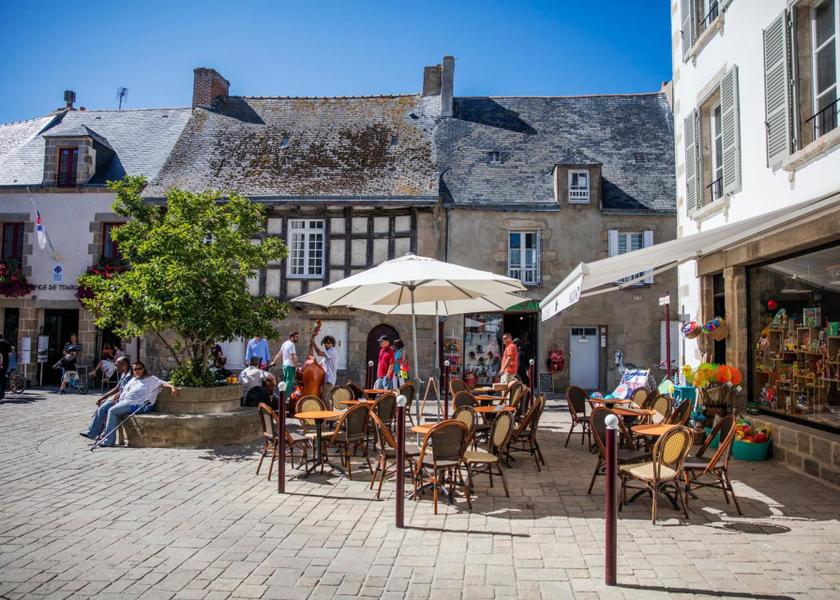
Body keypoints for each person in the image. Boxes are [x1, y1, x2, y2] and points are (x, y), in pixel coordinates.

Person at [96, 361, 179, 447]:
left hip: (141, 405)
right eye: (135, 369)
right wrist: (115, 398)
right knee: (105, 406)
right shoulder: (133, 380)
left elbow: (163, 383)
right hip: (126, 402)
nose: (137, 371)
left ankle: (108, 441)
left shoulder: (152, 379)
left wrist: (172, 387)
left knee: (113, 411)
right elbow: (124, 391)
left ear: (144, 369)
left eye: (140, 368)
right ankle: (100, 433)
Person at [81, 357, 132, 439]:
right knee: (101, 407)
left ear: (124, 365)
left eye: (117, 365)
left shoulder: (131, 376)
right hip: (118, 398)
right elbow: (117, 388)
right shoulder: (123, 374)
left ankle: (96, 433)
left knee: (103, 409)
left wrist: (111, 398)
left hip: (124, 400)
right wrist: (103, 397)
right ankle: (94, 433)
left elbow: (125, 391)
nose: (116, 367)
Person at [311, 335, 337, 406]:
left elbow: (319, 353)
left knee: (324, 399)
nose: (326, 344)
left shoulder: (332, 351)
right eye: (325, 342)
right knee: (326, 399)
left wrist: (313, 344)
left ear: (332, 344)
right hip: (326, 380)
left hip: (329, 380)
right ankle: (330, 415)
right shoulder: (326, 356)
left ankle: (329, 416)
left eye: (328, 343)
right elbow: (319, 366)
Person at [270, 332, 299, 396]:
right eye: (296, 337)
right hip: (290, 366)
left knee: (285, 382)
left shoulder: (285, 343)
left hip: (284, 365)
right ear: (292, 337)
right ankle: (285, 397)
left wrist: (274, 361)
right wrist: (296, 366)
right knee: (289, 382)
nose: (297, 338)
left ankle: (283, 396)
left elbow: (279, 353)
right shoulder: (291, 345)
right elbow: (292, 357)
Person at [0, 333, 11, 400]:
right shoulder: (7, 343)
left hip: (1, 363)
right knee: (3, 377)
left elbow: (0, 355)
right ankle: (2, 392)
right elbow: (10, 354)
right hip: (6, 362)